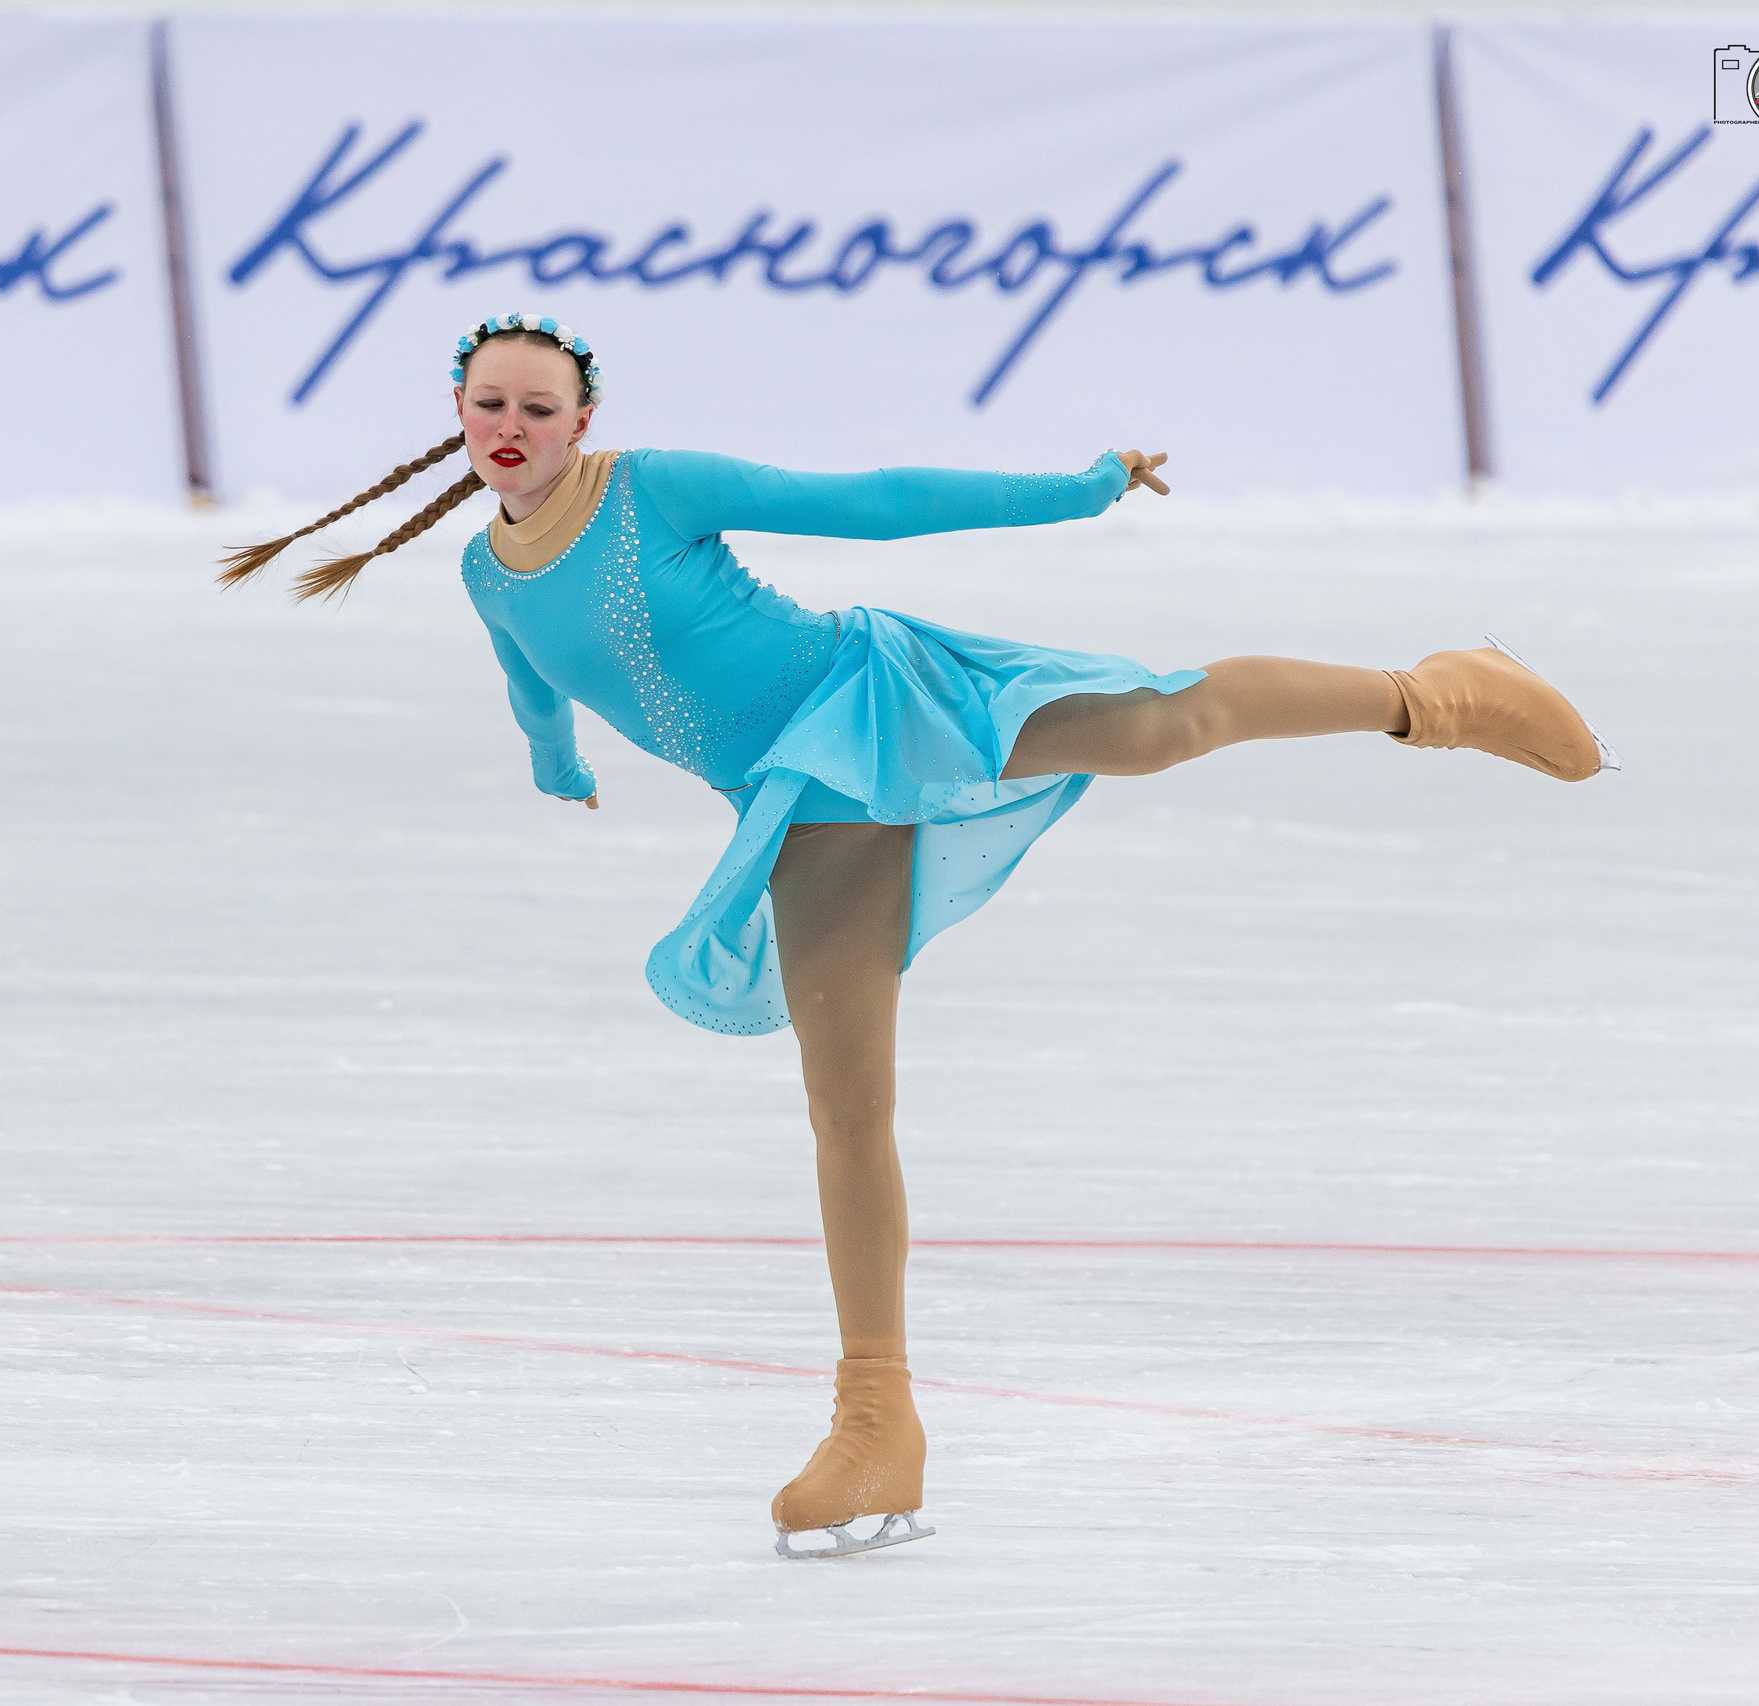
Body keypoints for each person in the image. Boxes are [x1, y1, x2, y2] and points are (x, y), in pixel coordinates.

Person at [219, 312, 1614, 1560]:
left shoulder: (657, 489)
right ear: (455, 417)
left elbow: (870, 504)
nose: (509, 428)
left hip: (877, 694)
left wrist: (1077, 490)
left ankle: (1434, 693)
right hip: (803, 800)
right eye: (488, 405)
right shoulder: (485, 570)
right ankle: (877, 1417)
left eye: (537, 406)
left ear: (587, 421)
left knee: (1158, 725)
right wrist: (549, 765)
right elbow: (534, 678)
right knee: (845, 1107)